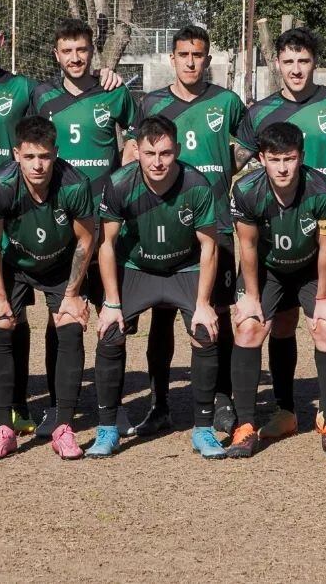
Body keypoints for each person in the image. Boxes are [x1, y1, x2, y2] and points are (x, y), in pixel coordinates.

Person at [0, 7, 121, 433]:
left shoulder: (26, 89)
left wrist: (104, 75)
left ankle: (36, 405)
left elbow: (66, 97)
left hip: (27, 214)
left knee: (42, 315)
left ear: (1, 42)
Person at [122, 24, 246, 437]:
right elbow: (130, 154)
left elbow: (248, 144)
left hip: (216, 224)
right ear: (172, 59)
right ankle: (160, 403)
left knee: (217, 313)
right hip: (163, 221)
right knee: (162, 315)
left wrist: (231, 165)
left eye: (198, 55)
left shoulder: (227, 102)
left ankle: (221, 400)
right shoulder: (153, 103)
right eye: (184, 55)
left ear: (207, 60)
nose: (191, 62)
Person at [233, 26, 326, 440]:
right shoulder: (260, 113)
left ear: (315, 62)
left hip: (323, 229)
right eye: (288, 61)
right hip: (273, 236)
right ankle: (276, 413)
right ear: (277, 64)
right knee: (273, 326)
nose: (296, 68)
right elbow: (238, 163)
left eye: (304, 60)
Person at [92, 115, 223, 459]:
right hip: (137, 268)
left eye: (165, 153)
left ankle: (204, 429)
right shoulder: (119, 184)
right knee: (110, 331)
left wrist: (204, 303)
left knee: (204, 331)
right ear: (136, 151)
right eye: (150, 153)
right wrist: (111, 302)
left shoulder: (196, 183)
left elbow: (209, 246)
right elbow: (105, 245)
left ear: (177, 150)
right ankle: (107, 429)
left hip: (184, 266)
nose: (158, 161)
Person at [28, 18, 135, 437]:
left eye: (82, 51)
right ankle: (57, 406)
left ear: (93, 53)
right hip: (61, 226)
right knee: (63, 318)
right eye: (67, 51)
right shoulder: (42, 97)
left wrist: (127, 155)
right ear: (56, 55)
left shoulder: (114, 92)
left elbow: (140, 135)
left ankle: (113, 406)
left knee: (113, 316)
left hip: (107, 224)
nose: (75, 58)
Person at [0, 115, 96, 460]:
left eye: (44, 156)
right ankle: (4, 428)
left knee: (70, 326)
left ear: (56, 153)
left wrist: (73, 295)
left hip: (61, 265)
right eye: (29, 157)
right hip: (14, 265)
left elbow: (86, 241)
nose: (38, 165)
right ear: (16, 154)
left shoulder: (75, 185)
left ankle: (63, 426)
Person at [229, 122, 326, 459]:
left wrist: (324, 299)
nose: (282, 167)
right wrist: (251, 297)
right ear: (261, 158)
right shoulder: (247, 190)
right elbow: (248, 248)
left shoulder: (323, 191)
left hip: (311, 269)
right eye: (274, 159)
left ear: (302, 157)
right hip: (268, 271)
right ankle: (248, 424)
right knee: (251, 326)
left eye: (290, 159)